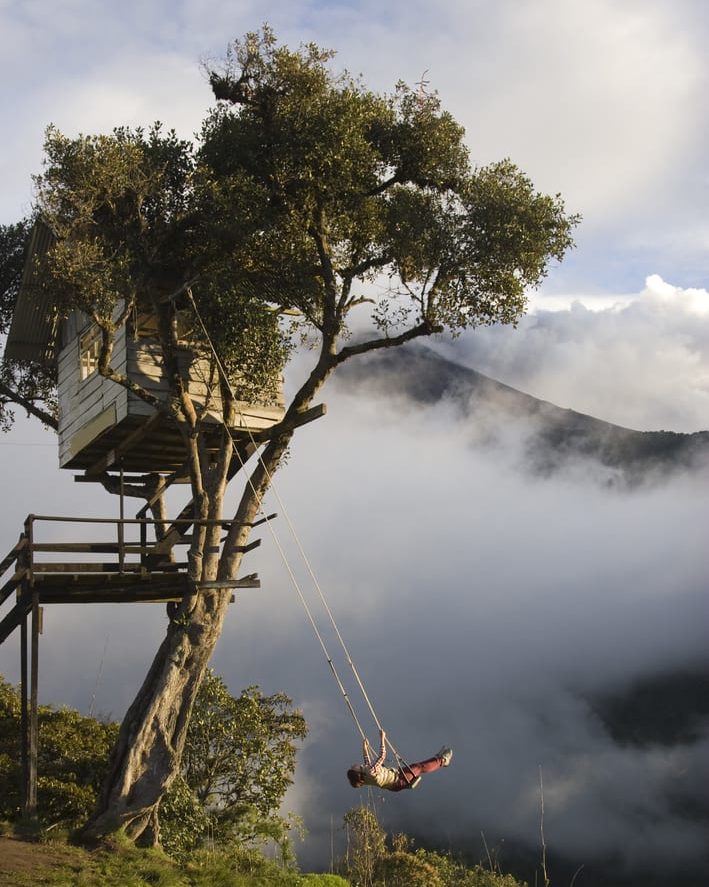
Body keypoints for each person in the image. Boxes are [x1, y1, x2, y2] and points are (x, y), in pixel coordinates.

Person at [346, 730, 452, 792]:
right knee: (419, 768)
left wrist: (364, 748)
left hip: (395, 781)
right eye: (352, 767)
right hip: (398, 780)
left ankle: (437, 759)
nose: (353, 765)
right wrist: (382, 738)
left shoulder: (365, 775)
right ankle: (442, 760)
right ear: (357, 772)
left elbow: (367, 763)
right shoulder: (369, 772)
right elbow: (381, 756)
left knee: (415, 767)